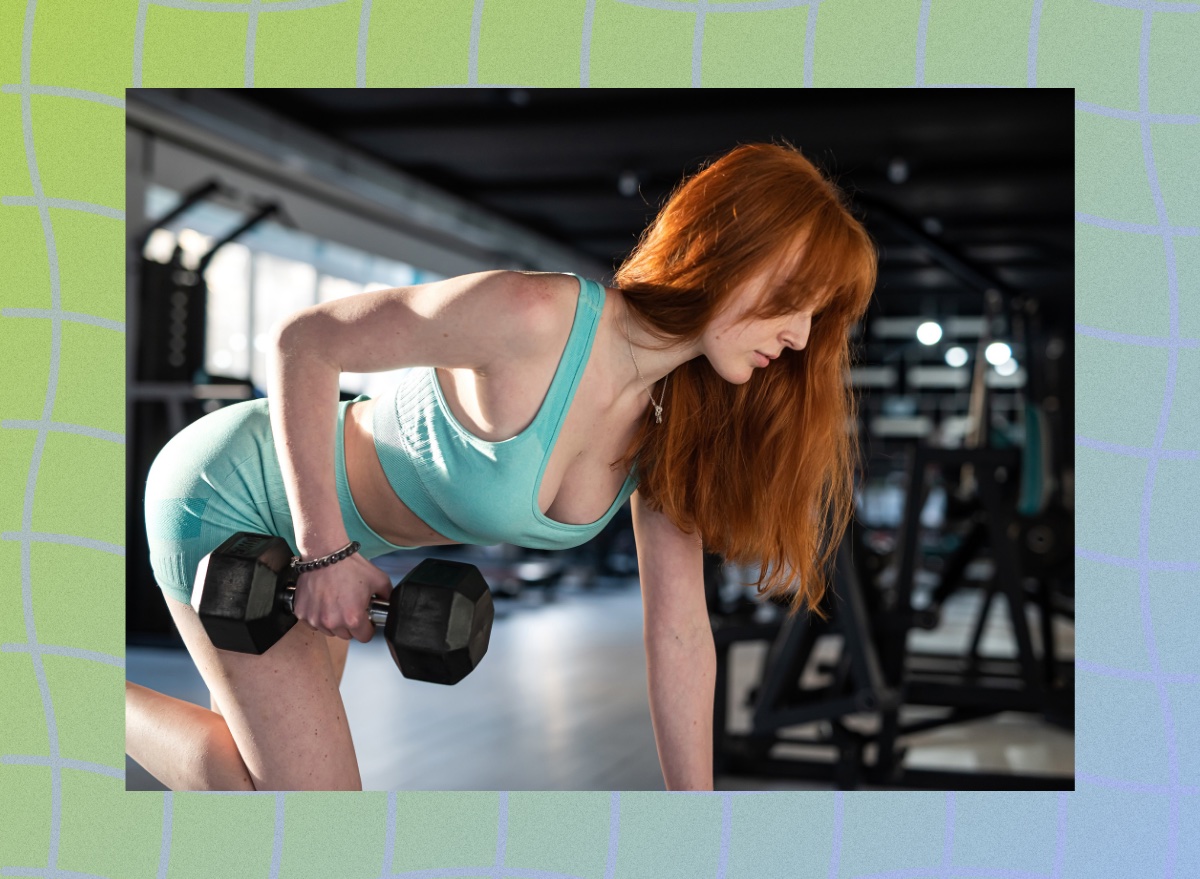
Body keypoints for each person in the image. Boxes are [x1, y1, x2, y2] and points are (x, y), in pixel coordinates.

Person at [124, 141, 877, 792]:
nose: (803, 335)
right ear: (727, 249)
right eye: (794, 301)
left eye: (819, 316)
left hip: (330, 546)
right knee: (304, 808)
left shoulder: (671, 427)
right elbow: (304, 342)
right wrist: (327, 548)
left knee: (275, 789)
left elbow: (678, 630)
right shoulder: (534, 315)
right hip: (239, 491)